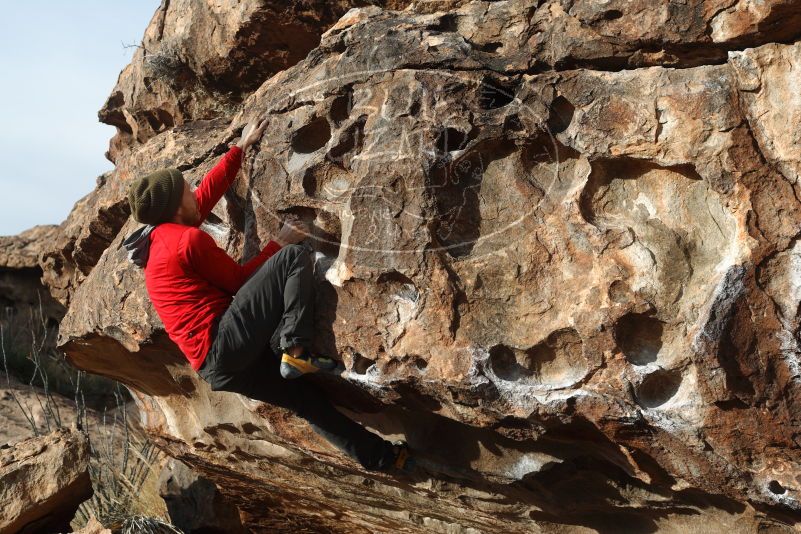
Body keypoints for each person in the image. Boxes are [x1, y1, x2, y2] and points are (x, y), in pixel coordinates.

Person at [121, 116, 411, 473]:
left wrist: (240, 149)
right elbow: (240, 283)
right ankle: (296, 348)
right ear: (176, 208)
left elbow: (204, 196)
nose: (192, 190)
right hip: (224, 342)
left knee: (305, 401)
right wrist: (280, 242)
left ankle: (384, 458)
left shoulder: (165, 236)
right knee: (293, 258)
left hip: (216, 367)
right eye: (185, 188)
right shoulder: (187, 240)